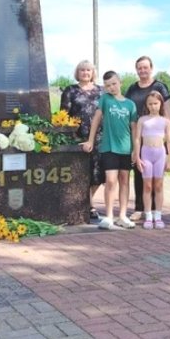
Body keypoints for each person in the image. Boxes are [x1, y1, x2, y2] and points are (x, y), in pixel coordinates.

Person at [81, 71, 137, 231]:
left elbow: (134, 129)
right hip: (109, 147)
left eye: (114, 83)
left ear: (120, 82)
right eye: (107, 85)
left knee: (124, 181)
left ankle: (123, 216)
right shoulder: (105, 99)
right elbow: (96, 119)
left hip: (126, 148)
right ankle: (109, 216)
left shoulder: (130, 104)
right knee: (111, 181)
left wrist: (135, 150)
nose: (111, 87)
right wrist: (90, 140)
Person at [124, 56, 170, 221]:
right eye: (139, 68)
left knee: (156, 179)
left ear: (151, 68)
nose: (142, 70)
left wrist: (167, 138)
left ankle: (154, 210)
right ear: (136, 70)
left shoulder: (159, 86)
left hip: (157, 136)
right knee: (140, 173)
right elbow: (127, 109)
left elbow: (167, 111)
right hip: (139, 133)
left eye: (145, 67)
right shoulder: (132, 89)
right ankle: (140, 208)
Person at [59, 59, 104, 222]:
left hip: (99, 137)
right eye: (82, 70)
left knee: (98, 174)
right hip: (78, 137)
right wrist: (69, 137)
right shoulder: (70, 90)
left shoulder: (101, 91)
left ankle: (86, 200)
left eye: (88, 70)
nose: (85, 73)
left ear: (93, 73)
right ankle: (89, 206)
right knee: (81, 172)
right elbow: (63, 115)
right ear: (77, 73)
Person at [133, 90, 170, 229]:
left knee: (159, 185)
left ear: (161, 103)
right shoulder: (142, 120)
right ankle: (148, 215)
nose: (153, 106)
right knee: (147, 186)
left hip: (160, 154)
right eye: (150, 104)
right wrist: (137, 157)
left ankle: (158, 216)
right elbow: (137, 139)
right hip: (146, 154)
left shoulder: (165, 121)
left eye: (156, 103)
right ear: (146, 105)